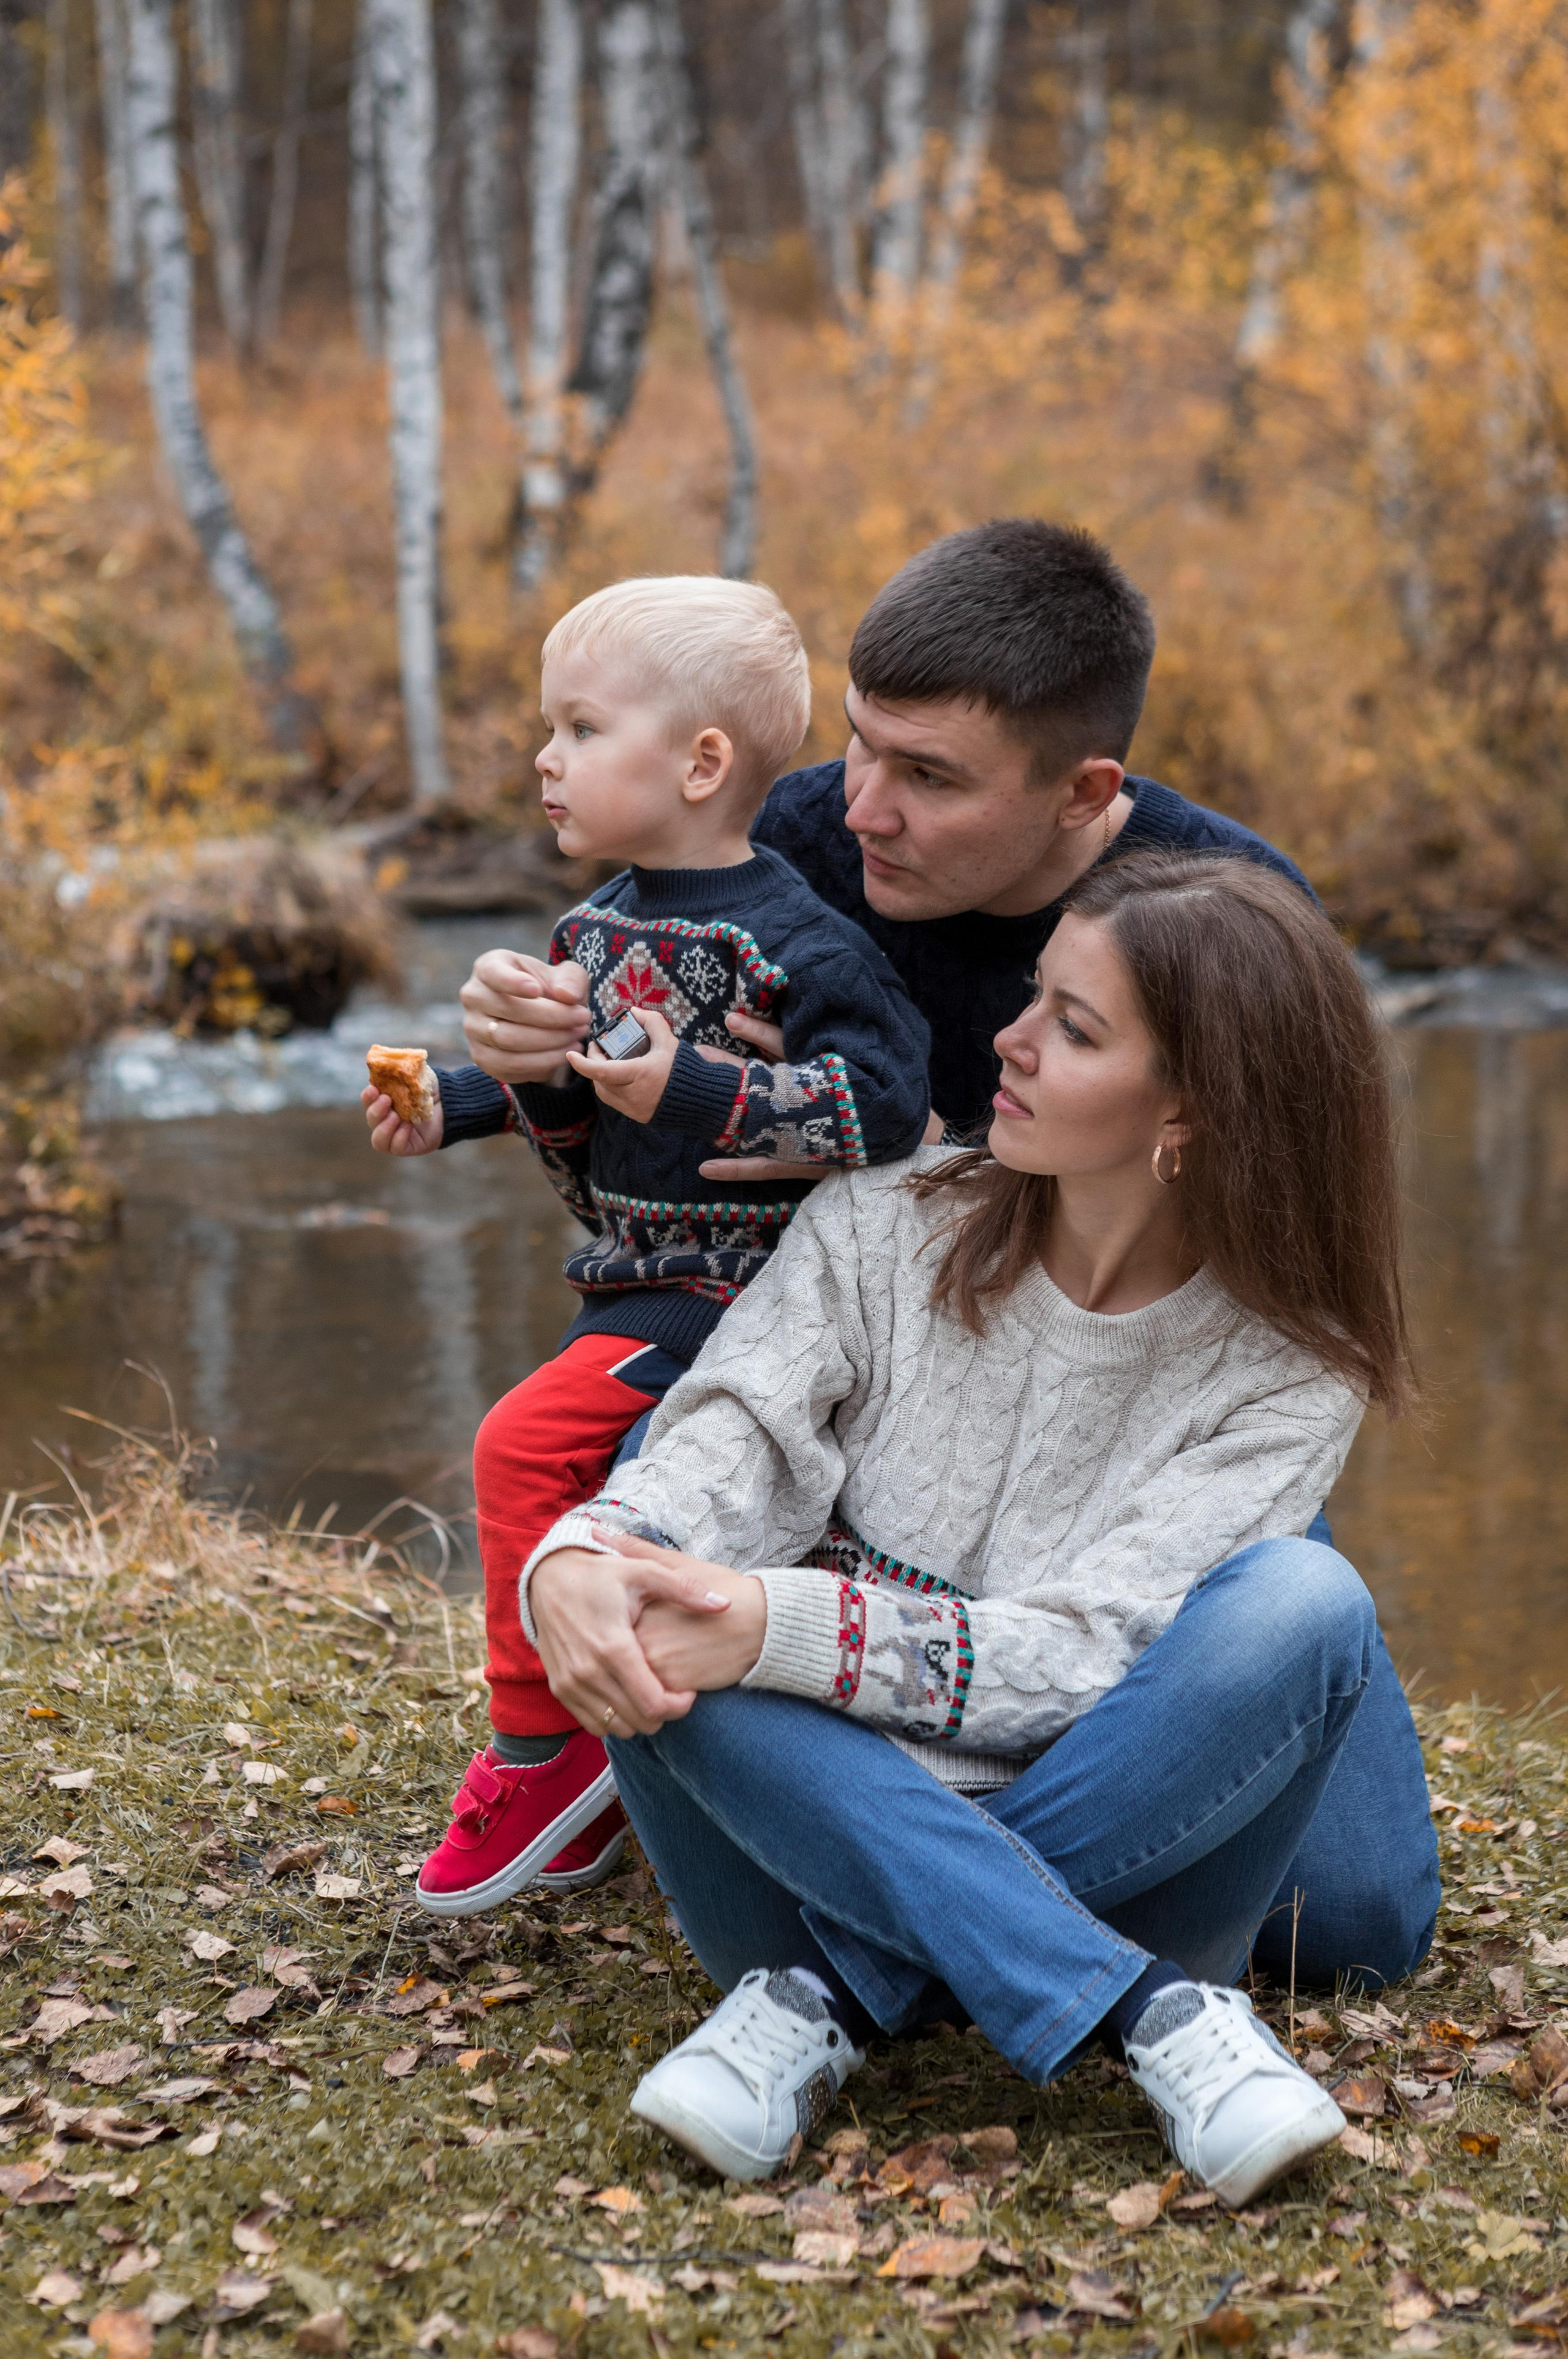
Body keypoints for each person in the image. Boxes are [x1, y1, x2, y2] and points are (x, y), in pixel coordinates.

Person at [457, 518, 1433, 1991]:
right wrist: (542, 1071)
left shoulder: (1224, 917)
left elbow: (1283, 1261)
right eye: (856, 742)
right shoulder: (785, 844)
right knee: (662, 1490)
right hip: (860, 1401)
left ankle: (875, 1934)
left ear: (1081, 792)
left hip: (1139, 1421)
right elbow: (643, 1194)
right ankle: (731, 1788)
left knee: (1347, 1926)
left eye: (928, 777)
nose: (861, 807)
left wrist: (894, 1137)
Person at [520, 853, 1441, 2202]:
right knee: (655, 1587)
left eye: (1074, 1028)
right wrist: (581, 1556)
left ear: (1190, 1109)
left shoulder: (1289, 1368)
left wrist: (786, 1627)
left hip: (1125, 1848)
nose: (1007, 1040)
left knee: (1305, 1608)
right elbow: (731, 1438)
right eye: (1033, 997)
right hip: (813, 1854)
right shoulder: (875, 1221)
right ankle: (1152, 2014)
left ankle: (836, 1997)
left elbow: (1087, 1656)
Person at [363, 576, 930, 1916]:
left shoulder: (798, 942)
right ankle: (633, 1742)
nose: (544, 760)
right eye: (547, 729)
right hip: (632, 1272)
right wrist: (454, 1102)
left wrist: (692, 1085)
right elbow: (568, 1079)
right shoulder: (593, 929)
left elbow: (884, 1106)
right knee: (570, 1470)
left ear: (700, 763)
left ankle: (542, 1754)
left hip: (742, 1292)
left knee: (518, 1445)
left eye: (579, 728)